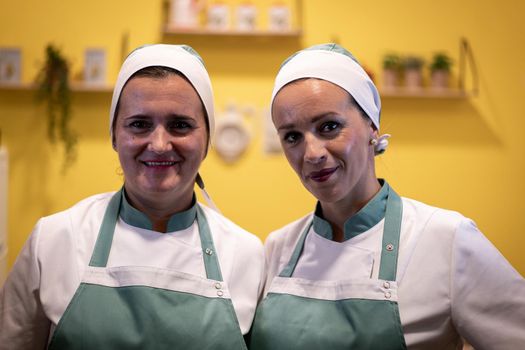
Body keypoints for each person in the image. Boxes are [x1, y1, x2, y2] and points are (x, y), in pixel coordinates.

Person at [250, 43, 525, 350]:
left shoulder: (446, 239)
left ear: (372, 126)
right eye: (292, 137)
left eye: (329, 127)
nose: (312, 153)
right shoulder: (278, 248)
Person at [0, 44, 264, 349]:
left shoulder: (246, 255)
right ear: (114, 134)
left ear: (208, 138)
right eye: (139, 124)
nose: (160, 144)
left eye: (180, 125)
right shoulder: (55, 239)